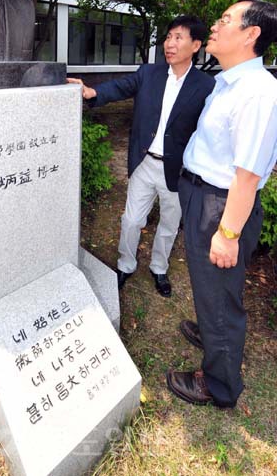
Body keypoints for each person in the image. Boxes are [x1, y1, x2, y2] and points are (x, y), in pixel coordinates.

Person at [167, 0, 277, 408]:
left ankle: (219, 384)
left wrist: (228, 234)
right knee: (211, 288)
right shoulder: (229, 81)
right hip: (203, 195)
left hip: (221, 205)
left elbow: (247, 176)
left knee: (221, 298)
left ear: (251, 35)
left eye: (226, 19)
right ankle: (213, 333)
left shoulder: (259, 93)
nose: (214, 25)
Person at [68, 15, 214, 297]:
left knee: (169, 225)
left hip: (179, 169)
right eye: (168, 37)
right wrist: (92, 91)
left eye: (178, 38)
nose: (169, 44)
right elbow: (120, 87)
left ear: (196, 45)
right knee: (132, 220)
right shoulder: (149, 73)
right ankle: (126, 264)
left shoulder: (206, 86)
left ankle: (159, 268)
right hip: (145, 163)